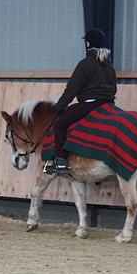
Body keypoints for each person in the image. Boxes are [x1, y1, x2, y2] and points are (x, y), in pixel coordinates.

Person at [44, 28, 117, 174]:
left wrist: (59, 107)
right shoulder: (109, 65)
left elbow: (72, 90)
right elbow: (114, 88)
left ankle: (61, 162)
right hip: (109, 104)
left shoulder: (85, 63)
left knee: (60, 124)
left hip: (90, 104)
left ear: (88, 44)